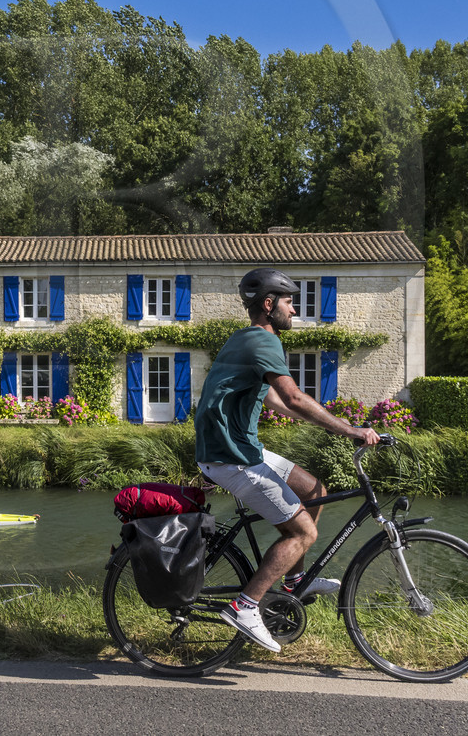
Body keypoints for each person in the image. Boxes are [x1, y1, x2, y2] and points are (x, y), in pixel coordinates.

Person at [194, 268, 380, 655]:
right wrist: (349, 430)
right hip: (232, 458)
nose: (294, 310)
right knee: (303, 534)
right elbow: (293, 397)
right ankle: (244, 607)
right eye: (289, 301)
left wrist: (325, 419)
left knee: (314, 490)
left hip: (240, 449)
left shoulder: (247, 340)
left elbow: (278, 401)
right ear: (268, 305)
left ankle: (295, 583)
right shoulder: (264, 341)